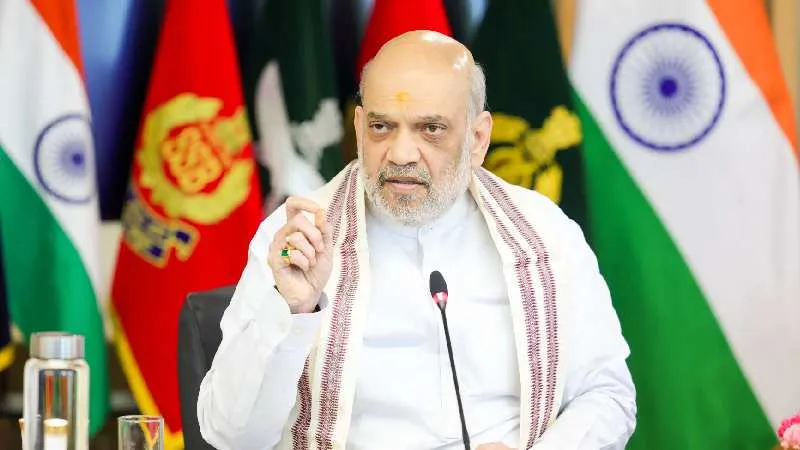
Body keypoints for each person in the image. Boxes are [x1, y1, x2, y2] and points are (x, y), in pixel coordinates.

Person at [197, 30, 636, 450]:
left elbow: (606, 393)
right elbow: (231, 437)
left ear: (478, 138)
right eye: (381, 127)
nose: (401, 154)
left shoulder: (545, 234)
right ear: (358, 126)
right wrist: (291, 310)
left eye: (431, 129)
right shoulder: (299, 235)